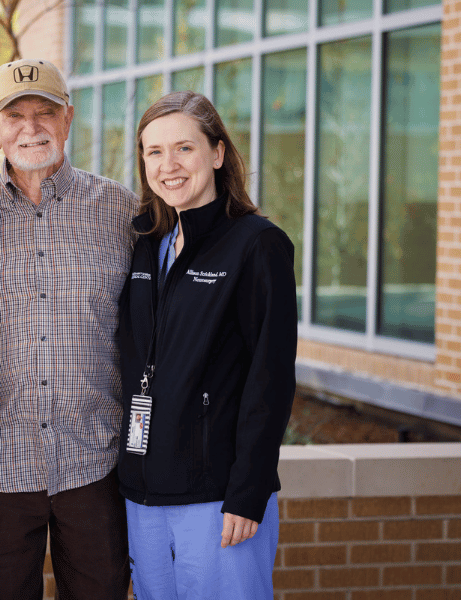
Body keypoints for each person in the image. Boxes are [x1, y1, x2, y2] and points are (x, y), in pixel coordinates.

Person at [0, 58, 137, 600]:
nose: (30, 127)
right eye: (15, 115)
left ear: (68, 119)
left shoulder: (121, 210)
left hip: (95, 463)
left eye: (45, 112)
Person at [117, 91, 298, 598]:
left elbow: (272, 376)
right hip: (143, 496)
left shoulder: (257, 245)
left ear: (217, 153)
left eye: (184, 149)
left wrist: (249, 491)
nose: (167, 165)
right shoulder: (145, 247)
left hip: (218, 498)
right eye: (153, 152)